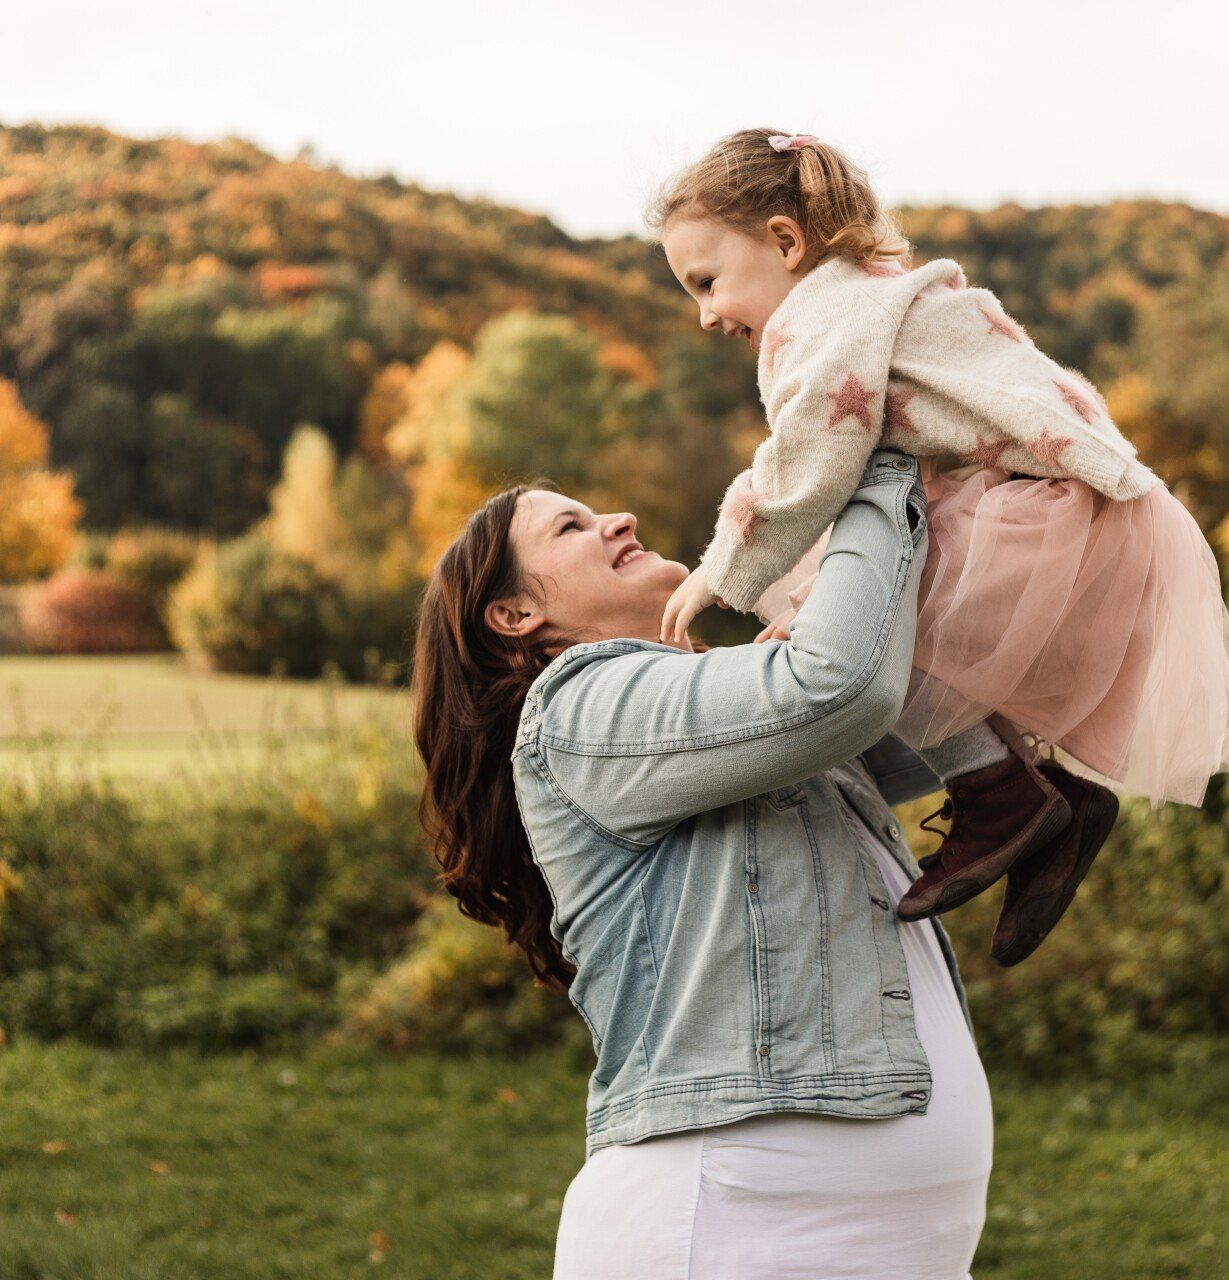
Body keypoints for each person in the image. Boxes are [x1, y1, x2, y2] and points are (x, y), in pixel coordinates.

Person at [648, 128, 1229, 962]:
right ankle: (1051, 801)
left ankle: (999, 791)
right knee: (882, 610)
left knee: (883, 620)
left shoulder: (821, 318)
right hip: (1083, 501)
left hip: (1047, 507)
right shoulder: (875, 295)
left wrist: (724, 569)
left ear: (785, 242)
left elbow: (811, 458)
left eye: (707, 282)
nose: (707, 313)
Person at [411, 450, 999, 1278]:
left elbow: (931, 709)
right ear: (512, 615)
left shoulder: (721, 718)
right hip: (731, 1231)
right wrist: (867, 462)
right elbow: (843, 689)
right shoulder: (580, 708)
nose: (619, 520)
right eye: (570, 526)